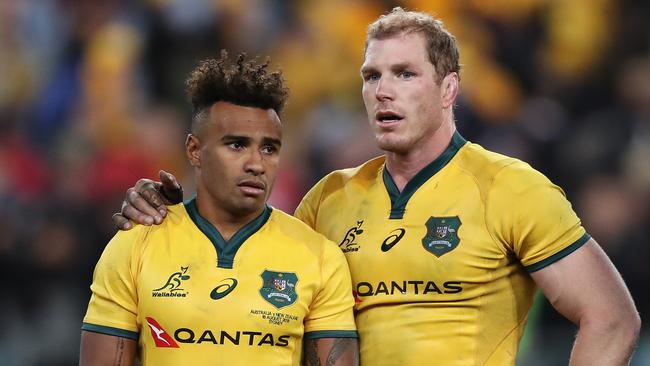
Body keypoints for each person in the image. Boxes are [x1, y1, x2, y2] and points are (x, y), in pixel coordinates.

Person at [112, 8, 641, 366]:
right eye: (371, 76)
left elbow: (612, 318)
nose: (383, 92)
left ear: (449, 87)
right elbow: (247, 306)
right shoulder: (329, 199)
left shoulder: (509, 188)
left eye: (405, 74)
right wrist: (174, 223)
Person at [80, 52, 359, 366]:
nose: (256, 164)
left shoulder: (319, 258)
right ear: (195, 150)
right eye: (237, 145)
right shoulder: (135, 246)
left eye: (269, 148)